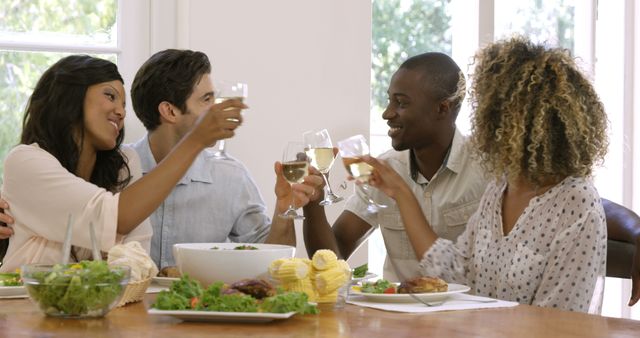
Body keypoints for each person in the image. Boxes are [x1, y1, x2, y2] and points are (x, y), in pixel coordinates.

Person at [302, 51, 640, 306]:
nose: (387, 113)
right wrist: (316, 204)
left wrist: (638, 233)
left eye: (401, 103)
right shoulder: (497, 189)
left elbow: (578, 205)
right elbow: (452, 267)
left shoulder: (493, 169)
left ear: (443, 108)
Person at [359, 36, 609, 313]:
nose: (484, 124)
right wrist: (400, 192)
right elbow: (454, 270)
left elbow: (561, 324)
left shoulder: (576, 203)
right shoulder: (501, 189)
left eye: (493, 113)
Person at [0, 54, 245, 272]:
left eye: (124, 105)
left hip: (102, 313)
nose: (121, 112)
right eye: (110, 96)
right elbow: (117, 218)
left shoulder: (124, 164)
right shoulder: (25, 161)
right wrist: (196, 140)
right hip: (26, 310)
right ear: (69, 98)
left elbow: (137, 259)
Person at [128, 49, 319, 269]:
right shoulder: (117, 169)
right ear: (170, 111)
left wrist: (284, 210)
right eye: (207, 100)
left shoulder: (230, 176)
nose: (218, 109)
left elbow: (274, 263)